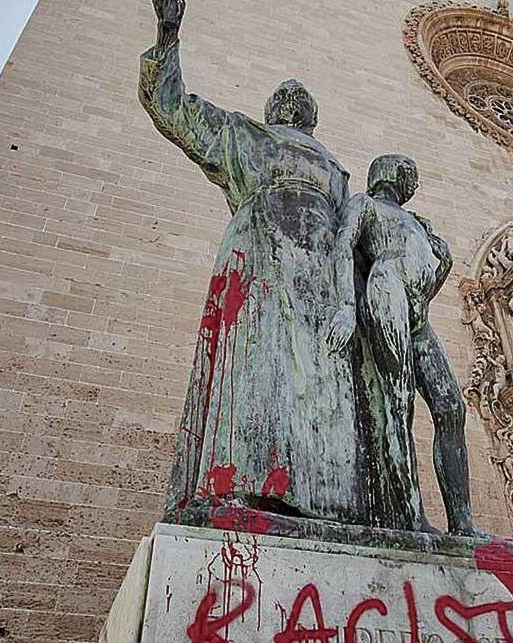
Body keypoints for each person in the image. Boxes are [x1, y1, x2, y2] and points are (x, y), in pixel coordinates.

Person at [142, 0, 361, 523]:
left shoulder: (339, 173)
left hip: (323, 276)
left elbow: (356, 233)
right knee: (253, 370)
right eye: (283, 97)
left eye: (298, 99)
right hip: (260, 258)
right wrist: (168, 33)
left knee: (323, 384)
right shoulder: (243, 135)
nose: (290, 99)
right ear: (271, 111)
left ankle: (320, 499)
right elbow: (172, 109)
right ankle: (241, 485)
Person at [328, 155, 479, 536]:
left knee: (451, 407)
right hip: (387, 291)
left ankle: (463, 525)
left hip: (417, 312)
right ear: (393, 175)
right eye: (408, 173)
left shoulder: (417, 222)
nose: (412, 181)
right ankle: (411, 518)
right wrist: (347, 305)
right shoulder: (365, 203)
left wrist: (437, 259)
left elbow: (439, 265)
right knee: (398, 406)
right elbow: (343, 246)